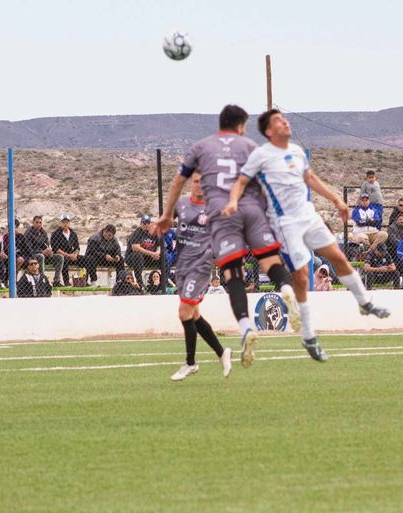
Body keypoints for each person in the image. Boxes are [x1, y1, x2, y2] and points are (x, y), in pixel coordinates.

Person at [223, 109, 391, 362]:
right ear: (269, 131)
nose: (285, 122)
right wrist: (233, 201)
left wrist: (337, 200)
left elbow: (310, 178)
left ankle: (364, 302)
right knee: (301, 276)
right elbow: (241, 181)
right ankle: (309, 336)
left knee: (338, 257)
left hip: (309, 216)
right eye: (279, 120)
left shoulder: (296, 151)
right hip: (285, 223)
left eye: (284, 118)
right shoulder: (261, 155)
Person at [152, 104, 297, 369]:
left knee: (232, 273)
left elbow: (177, 181)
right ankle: (286, 289)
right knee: (269, 260)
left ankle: (244, 327)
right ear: (241, 126)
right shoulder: (250, 146)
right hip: (251, 210)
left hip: (224, 215)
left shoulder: (201, 147)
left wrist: (166, 215)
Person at [167, 171, 233, 382]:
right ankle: (222, 353)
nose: (199, 186)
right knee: (194, 315)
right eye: (195, 182)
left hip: (201, 267)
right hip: (182, 266)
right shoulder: (182, 204)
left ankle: (190, 362)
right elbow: (167, 219)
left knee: (184, 311)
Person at [23, 215, 65, 287]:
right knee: (41, 256)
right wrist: (42, 252)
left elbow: (46, 245)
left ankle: (56, 281)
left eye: (40, 222)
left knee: (60, 257)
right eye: (37, 222)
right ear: (33, 223)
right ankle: (42, 281)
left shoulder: (43, 232)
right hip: (32, 256)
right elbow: (28, 249)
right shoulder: (28, 233)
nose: (39, 224)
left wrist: (49, 251)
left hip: (44, 255)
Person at [126, 215, 162, 288]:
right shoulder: (137, 233)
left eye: (148, 223)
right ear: (141, 224)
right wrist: (152, 253)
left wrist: (157, 253)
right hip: (133, 258)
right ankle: (140, 282)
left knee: (164, 255)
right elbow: (135, 248)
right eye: (144, 223)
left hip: (149, 258)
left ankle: (164, 281)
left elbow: (160, 245)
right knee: (138, 255)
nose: (146, 225)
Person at [50, 214, 83, 287]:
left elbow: (77, 247)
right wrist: (69, 255)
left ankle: (84, 280)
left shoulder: (73, 233)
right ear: (60, 223)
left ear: (69, 223)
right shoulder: (55, 234)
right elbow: (56, 249)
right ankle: (66, 282)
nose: (65, 224)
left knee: (85, 259)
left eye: (67, 222)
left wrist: (75, 255)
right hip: (61, 256)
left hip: (72, 256)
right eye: (63, 222)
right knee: (64, 259)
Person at [3, 218, 28, 283]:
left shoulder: (21, 236)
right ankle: (13, 279)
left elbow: (26, 249)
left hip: (21, 256)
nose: (15, 229)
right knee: (19, 260)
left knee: (31, 260)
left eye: (16, 227)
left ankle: (26, 282)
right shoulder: (6, 237)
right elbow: (6, 249)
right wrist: (17, 256)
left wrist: (24, 256)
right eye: (13, 227)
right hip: (10, 256)